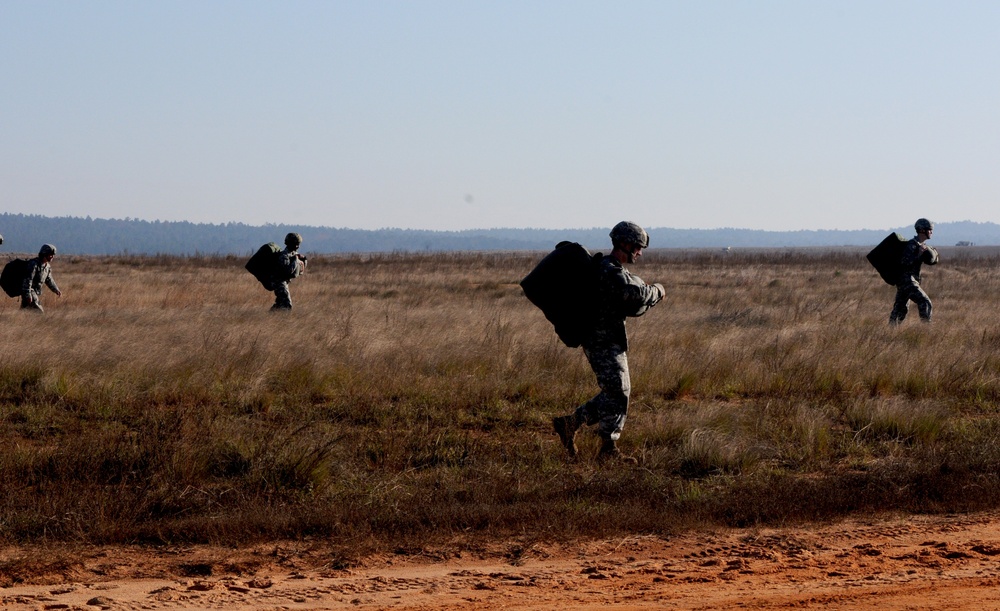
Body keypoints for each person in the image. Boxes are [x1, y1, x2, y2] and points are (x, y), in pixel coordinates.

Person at [552, 221, 665, 464]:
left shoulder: (611, 269)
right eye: (637, 246)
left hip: (606, 340)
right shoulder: (609, 271)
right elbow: (635, 296)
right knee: (619, 391)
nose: (639, 252)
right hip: (602, 341)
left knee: (615, 391)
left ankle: (570, 424)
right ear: (624, 244)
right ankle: (607, 449)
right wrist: (657, 290)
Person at [889, 218, 939, 325]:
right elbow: (905, 262)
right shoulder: (912, 245)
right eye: (929, 230)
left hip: (906, 281)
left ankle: (890, 331)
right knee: (925, 302)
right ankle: (926, 329)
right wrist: (919, 254)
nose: (931, 232)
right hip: (907, 281)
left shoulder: (920, 245)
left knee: (900, 309)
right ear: (922, 230)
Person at [269, 232, 307, 311]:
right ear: (290, 244)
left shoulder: (293, 254)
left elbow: (300, 269)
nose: (298, 246)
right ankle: (280, 319)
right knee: (287, 304)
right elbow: (288, 271)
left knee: (280, 303)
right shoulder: (284, 256)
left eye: (298, 244)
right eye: (296, 244)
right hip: (278, 282)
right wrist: (296, 260)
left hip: (284, 282)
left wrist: (303, 260)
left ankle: (270, 316)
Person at [21, 243, 62, 312]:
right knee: (39, 312)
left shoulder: (47, 267)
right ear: (44, 254)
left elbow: (49, 280)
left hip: (35, 291)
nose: (52, 257)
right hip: (30, 291)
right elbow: (28, 280)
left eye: (53, 255)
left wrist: (56, 290)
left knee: (23, 312)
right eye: (50, 255)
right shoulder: (33, 264)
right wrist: (28, 295)